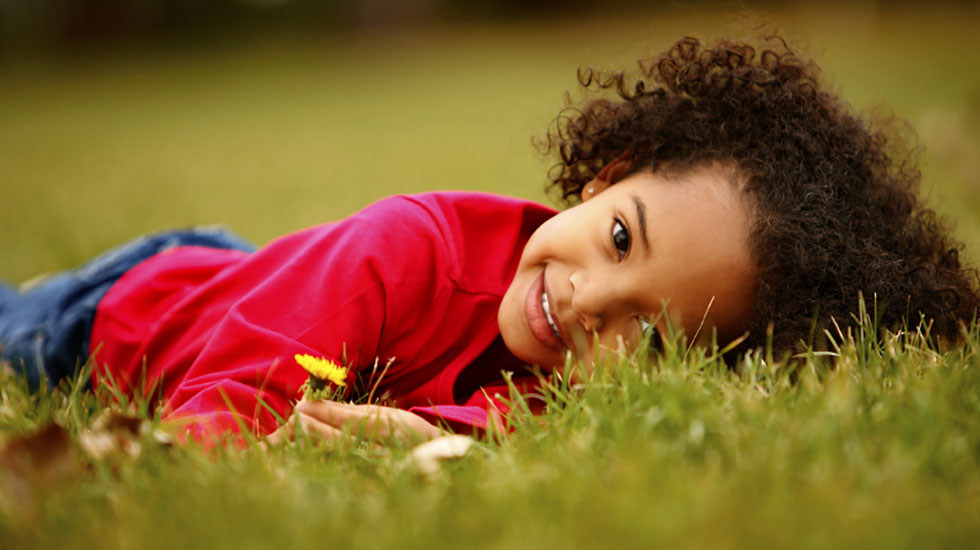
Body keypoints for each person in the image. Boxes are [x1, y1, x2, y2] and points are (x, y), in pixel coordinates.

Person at [1, 35, 977, 446]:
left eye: (648, 334)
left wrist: (435, 434)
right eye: (619, 238)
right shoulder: (406, 248)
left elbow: (516, 428)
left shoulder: (585, 390)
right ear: (608, 173)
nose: (588, 302)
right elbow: (222, 401)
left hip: (271, 292)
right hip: (124, 316)